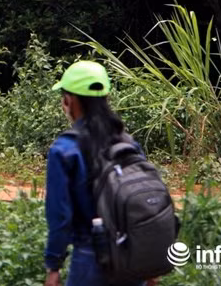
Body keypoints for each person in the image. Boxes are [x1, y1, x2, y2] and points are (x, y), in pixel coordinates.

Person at [43, 61, 157, 286]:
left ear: (69, 100)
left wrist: (53, 266)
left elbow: (60, 217)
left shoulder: (65, 150)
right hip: (133, 258)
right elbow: (145, 202)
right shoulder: (127, 143)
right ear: (106, 98)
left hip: (90, 257)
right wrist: (151, 263)